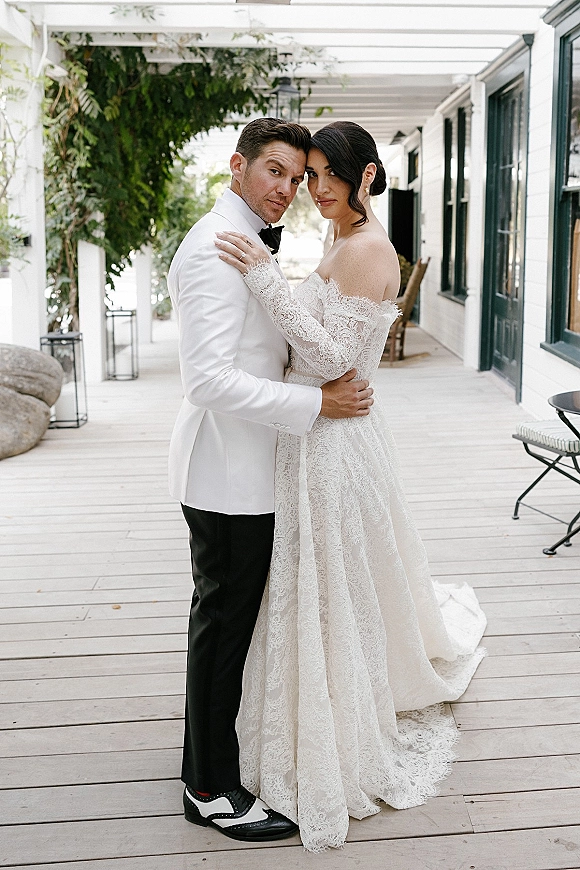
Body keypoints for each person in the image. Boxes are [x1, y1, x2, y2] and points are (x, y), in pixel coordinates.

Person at [214, 120, 487, 852]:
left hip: (334, 439)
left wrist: (266, 280)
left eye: (330, 173)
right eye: (307, 174)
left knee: (330, 581)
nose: (316, 187)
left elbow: (335, 356)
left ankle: (338, 713)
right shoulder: (339, 238)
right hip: (315, 431)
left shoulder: (368, 249)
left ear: (367, 175)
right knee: (316, 579)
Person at [167, 118, 375, 844]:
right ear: (238, 166)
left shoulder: (246, 241)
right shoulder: (213, 251)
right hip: (228, 470)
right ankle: (211, 788)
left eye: (298, 177)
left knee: (225, 627)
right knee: (222, 631)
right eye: (277, 172)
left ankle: (205, 759)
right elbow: (210, 382)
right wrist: (318, 402)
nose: (289, 190)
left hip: (252, 463)